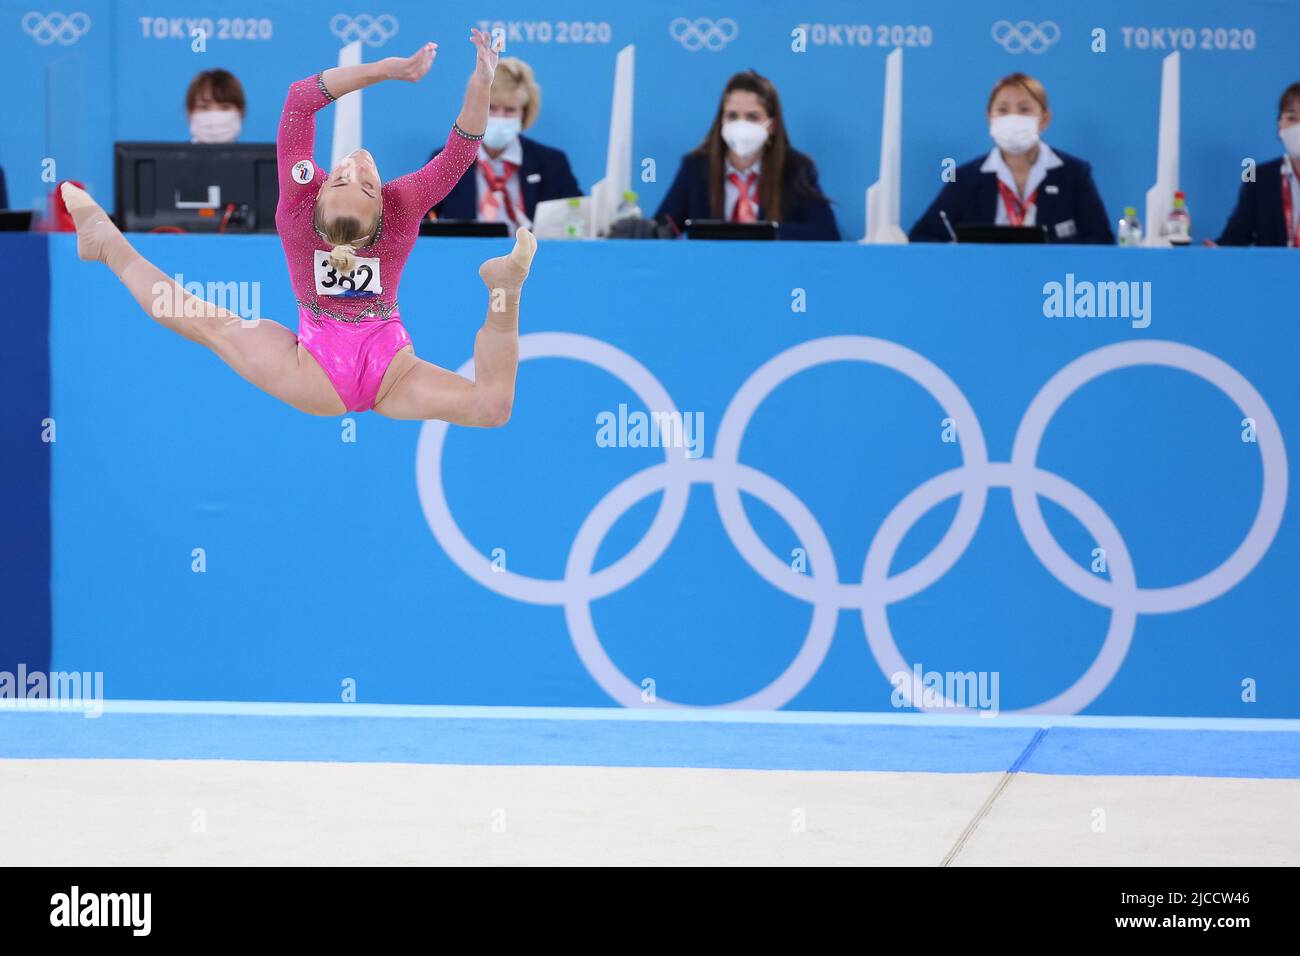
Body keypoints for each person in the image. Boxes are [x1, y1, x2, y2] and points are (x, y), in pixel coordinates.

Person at [62, 30, 535, 425]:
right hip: (340, 366)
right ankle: (104, 242)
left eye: (356, 181)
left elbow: (301, 101)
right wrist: (479, 81)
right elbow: (461, 150)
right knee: (194, 318)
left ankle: (503, 286)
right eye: (355, 180)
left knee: (492, 407)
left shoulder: (300, 199)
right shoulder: (401, 205)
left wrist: (392, 72)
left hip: (352, 372)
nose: (356, 167)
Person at [910, 73, 1113, 243]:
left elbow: (1101, 240)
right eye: (1003, 110)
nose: (1013, 117)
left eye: (1024, 109)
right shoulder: (965, 178)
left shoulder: (1073, 173)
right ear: (989, 117)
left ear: (1044, 119)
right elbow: (923, 237)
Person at [655, 70, 839, 240]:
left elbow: (826, 233)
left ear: (772, 126)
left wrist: (765, 232)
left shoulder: (796, 168)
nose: (740, 125)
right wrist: (642, 228)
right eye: (732, 116)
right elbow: (664, 228)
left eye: (752, 117)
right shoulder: (695, 167)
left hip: (774, 270)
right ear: (721, 121)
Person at [429, 56, 580, 227]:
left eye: (509, 110)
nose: (499, 117)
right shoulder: (447, 160)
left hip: (534, 254)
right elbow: (419, 221)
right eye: (491, 108)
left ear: (524, 113)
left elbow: (577, 223)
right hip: (466, 253)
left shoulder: (552, 163)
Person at [1214, 82, 1300, 246]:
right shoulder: (1258, 178)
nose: (1298, 127)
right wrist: (1213, 253)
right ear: (1279, 125)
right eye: (1292, 118)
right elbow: (1236, 237)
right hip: (1274, 271)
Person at [186, 68, 246, 144]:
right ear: (190, 114)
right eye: (204, 107)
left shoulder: (258, 155)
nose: (214, 115)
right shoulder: (169, 155)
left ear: (241, 114)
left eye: (224, 107)